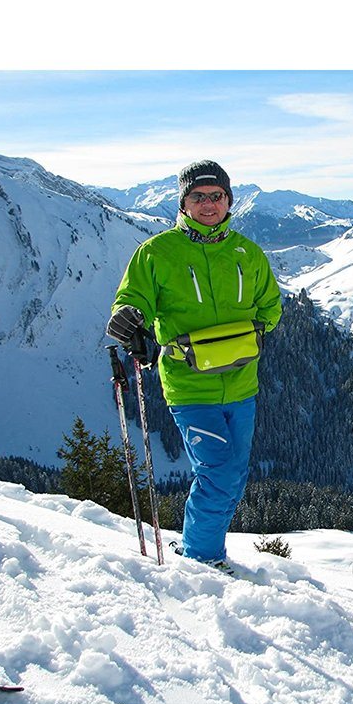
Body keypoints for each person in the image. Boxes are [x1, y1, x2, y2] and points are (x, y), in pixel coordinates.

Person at [107, 160, 282, 570]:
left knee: (233, 475)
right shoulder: (157, 253)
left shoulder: (247, 252)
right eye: (198, 197)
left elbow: (271, 306)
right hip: (189, 387)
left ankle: (199, 547)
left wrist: (251, 330)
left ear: (228, 201)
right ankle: (204, 560)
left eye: (216, 196)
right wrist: (128, 315)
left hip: (242, 385)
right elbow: (134, 298)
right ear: (183, 203)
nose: (208, 204)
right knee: (218, 473)